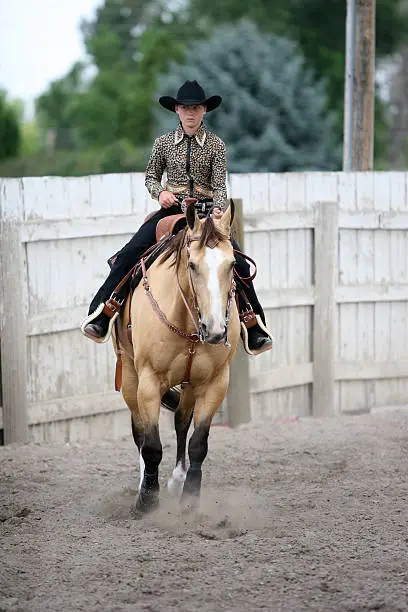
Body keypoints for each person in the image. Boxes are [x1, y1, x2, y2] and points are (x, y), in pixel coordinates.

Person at [81, 80, 273, 355]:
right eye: (185, 108)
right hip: (172, 212)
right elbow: (150, 177)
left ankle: (253, 325)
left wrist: (219, 208)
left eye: (195, 108)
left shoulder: (217, 146)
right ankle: (103, 312)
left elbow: (220, 186)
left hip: (208, 214)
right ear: (177, 111)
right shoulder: (163, 144)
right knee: (128, 254)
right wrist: (160, 194)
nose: (190, 113)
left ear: (204, 110)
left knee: (239, 264)